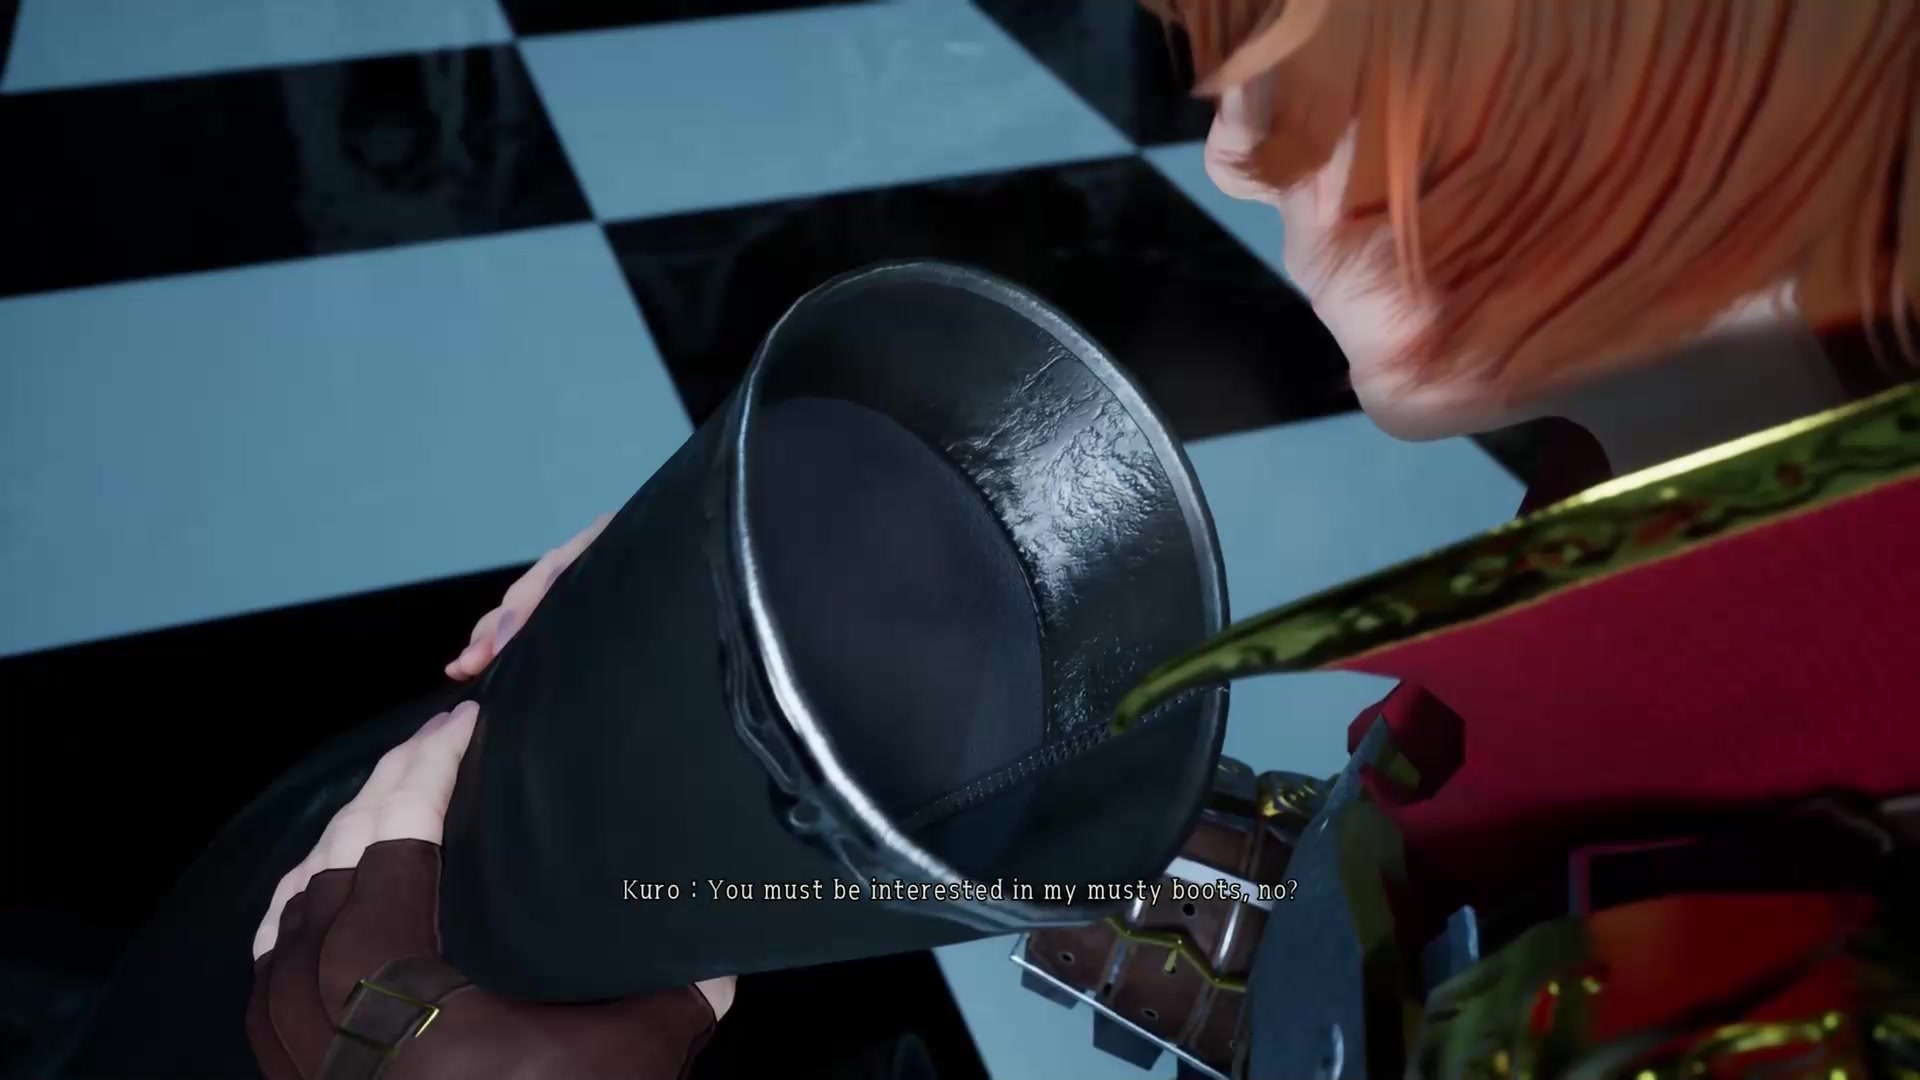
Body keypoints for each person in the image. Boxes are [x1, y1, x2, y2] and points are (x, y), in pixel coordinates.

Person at [214, 0, 1920, 1074]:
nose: (1236, 152)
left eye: (1360, 50)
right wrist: (792, 610)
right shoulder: (1720, 517)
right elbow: (1430, 921)